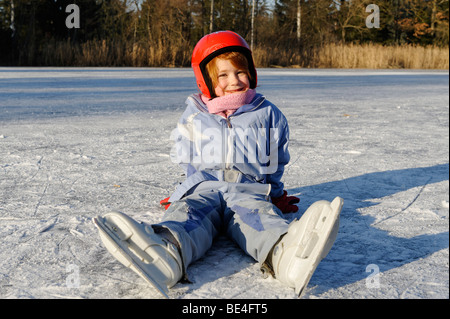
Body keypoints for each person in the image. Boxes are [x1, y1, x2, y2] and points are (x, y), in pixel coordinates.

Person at [93, 31, 343, 298]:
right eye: (223, 75)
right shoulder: (194, 115)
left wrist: (277, 193)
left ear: (252, 72)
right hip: (205, 187)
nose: (234, 81)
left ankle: (284, 253)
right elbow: (187, 158)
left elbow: (275, 160)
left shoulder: (268, 114)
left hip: (247, 189)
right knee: (188, 214)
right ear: (206, 80)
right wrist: (184, 191)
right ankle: (167, 251)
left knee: (259, 219)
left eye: (240, 72)